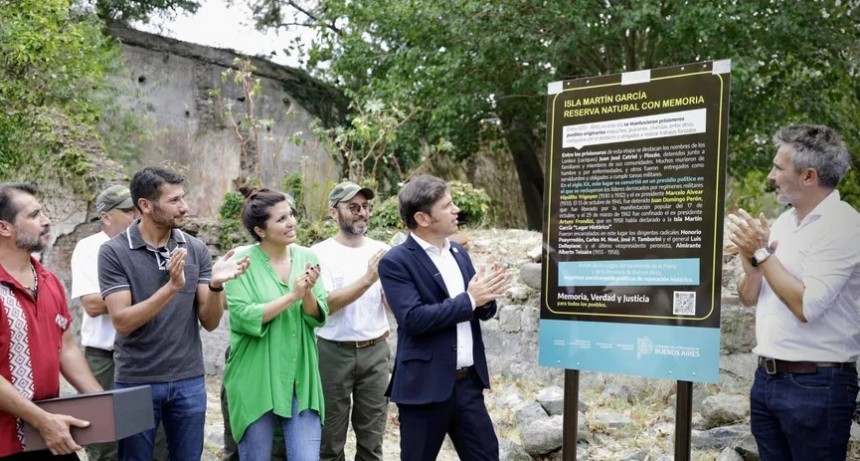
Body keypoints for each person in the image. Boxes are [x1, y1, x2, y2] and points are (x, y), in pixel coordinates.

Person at [97, 167, 250, 461]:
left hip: (189, 381)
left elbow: (210, 321)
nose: (185, 207)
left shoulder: (195, 249)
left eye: (184, 198)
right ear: (145, 205)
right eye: (175, 200)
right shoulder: (114, 252)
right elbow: (123, 321)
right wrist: (172, 287)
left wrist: (216, 285)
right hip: (135, 381)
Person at [727, 124, 860, 460]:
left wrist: (760, 253)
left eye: (778, 167)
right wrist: (749, 260)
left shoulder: (843, 226)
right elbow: (749, 296)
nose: (771, 176)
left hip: (817, 385)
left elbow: (805, 305)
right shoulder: (784, 223)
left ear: (808, 176)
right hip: (767, 380)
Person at [378, 175, 509, 461]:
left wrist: (487, 297)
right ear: (423, 218)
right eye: (447, 205)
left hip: (467, 384)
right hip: (423, 387)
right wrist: (472, 298)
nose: (456, 209)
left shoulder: (458, 252)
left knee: (487, 456)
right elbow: (413, 319)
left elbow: (475, 308)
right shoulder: (396, 261)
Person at [224, 187, 328, 461]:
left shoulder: (308, 258)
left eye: (291, 215)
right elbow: (243, 316)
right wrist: (291, 295)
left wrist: (305, 295)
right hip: (254, 378)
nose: (291, 222)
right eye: (281, 219)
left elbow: (317, 315)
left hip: (300, 377)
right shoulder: (240, 262)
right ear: (260, 230)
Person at [0, 182, 103, 459]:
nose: (46, 221)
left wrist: (103, 402)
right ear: (4, 228)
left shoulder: (49, 281)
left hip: (51, 434)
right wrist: (42, 421)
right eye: (34, 215)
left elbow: (66, 346)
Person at [311, 181, 390, 461]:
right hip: (333, 352)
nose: (362, 213)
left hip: (376, 350)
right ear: (334, 213)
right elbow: (327, 304)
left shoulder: (382, 250)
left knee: (372, 441)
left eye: (366, 207)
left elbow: (391, 306)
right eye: (353, 207)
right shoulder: (319, 253)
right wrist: (369, 278)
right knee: (329, 441)